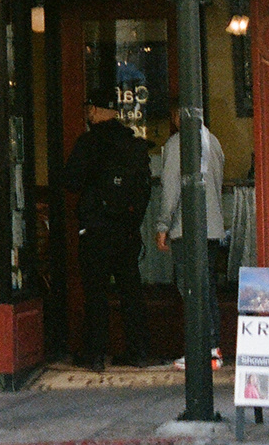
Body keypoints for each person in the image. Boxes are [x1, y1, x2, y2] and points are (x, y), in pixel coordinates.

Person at [60, 87, 152, 370]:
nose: (88, 114)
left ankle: (96, 354)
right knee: (130, 291)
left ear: (96, 111)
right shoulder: (133, 144)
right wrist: (133, 221)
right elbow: (144, 190)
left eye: (89, 109)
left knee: (95, 292)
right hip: (126, 230)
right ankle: (137, 351)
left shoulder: (88, 143)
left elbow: (70, 181)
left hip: (96, 229)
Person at [155, 108, 227, 369]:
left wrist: (163, 224)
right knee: (207, 289)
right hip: (213, 227)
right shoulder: (213, 141)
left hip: (188, 227)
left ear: (178, 116)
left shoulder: (177, 144)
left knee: (192, 291)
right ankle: (213, 347)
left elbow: (171, 186)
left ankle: (201, 351)